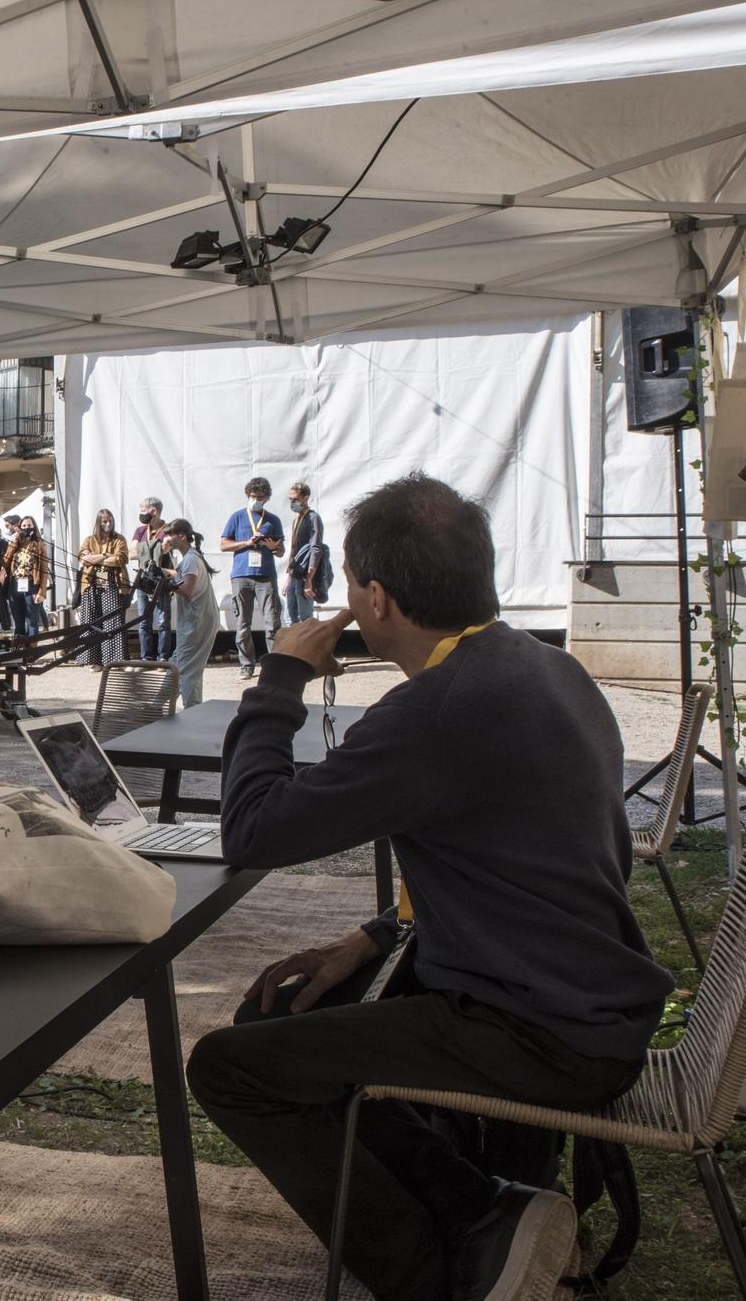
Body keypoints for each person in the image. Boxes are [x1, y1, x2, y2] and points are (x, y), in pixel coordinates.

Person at [187, 475, 671, 1301]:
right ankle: (475, 1207)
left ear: (375, 598)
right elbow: (539, 855)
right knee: (285, 1015)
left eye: (347, 580)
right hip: (589, 1005)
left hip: (541, 1032)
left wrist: (276, 683)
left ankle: (443, 1271)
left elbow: (255, 831)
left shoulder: (437, 709)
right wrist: (372, 937)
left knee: (234, 1067)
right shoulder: (548, 669)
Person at [220, 475, 285, 679]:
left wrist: (272, 546)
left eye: (261, 497)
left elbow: (281, 551)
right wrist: (246, 543)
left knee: (272, 622)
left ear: (266, 498)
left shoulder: (273, 519)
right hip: (241, 575)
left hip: (265, 575)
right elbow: (223, 545)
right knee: (242, 624)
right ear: (248, 495)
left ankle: (273, 665)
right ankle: (246, 665)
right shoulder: (237, 517)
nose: (257, 499)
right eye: (253, 496)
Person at [160, 519, 218, 708]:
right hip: (196, 622)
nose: (167, 538)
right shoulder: (190, 558)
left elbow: (187, 589)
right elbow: (181, 576)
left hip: (197, 623)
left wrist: (167, 584)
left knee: (188, 668)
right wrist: (162, 572)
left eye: (170, 535)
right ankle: (155, 706)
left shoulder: (191, 559)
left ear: (182, 536)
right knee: (176, 664)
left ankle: (193, 710)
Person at [75, 509, 131, 669]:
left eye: (110, 521)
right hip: (90, 584)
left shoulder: (119, 539)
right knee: (91, 621)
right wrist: (106, 555)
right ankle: (93, 661)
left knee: (112, 621)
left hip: (113, 584)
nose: (108, 524)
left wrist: (97, 558)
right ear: (98, 523)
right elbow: (83, 559)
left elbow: (120, 559)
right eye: (104, 521)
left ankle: (112, 662)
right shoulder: (89, 540)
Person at [131, 496, 175, 661]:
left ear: (154, 511)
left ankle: (163, 657)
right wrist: (155, 547)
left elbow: (165, 549)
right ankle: (146, 657)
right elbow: (131, 553)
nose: (141, 514)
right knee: (144, 620)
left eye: (143, 510)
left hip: (161, 580)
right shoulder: (140, 530)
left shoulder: (168, 529)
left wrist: (144, 549)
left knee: (163, 621)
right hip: (143, 580)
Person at [1, 515, 50, 641]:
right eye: (24, 526)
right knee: (18, 621)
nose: (27, 528)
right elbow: (5, 562)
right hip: (15, 584)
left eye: (29, 525)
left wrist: (42, 591)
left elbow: (44, 570)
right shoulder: (16, 544)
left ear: (34, 527)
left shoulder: (40, 545)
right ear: (19, 527)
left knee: (32, 621)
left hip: (32, 585)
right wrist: (13, 543)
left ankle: (31, 652)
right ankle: (19, 650)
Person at [286, 481, 327, 626]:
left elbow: (316, 549)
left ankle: (308, 647)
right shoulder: (296, 519)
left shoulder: (313, 517)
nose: (292, 503)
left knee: (305, 616)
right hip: (295, 572)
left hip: (305, 574)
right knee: (290, 616)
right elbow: (293, 550)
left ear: (305, 498)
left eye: (295, 499)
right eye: (290, 500)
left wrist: (309, 580)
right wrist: (288, 578)